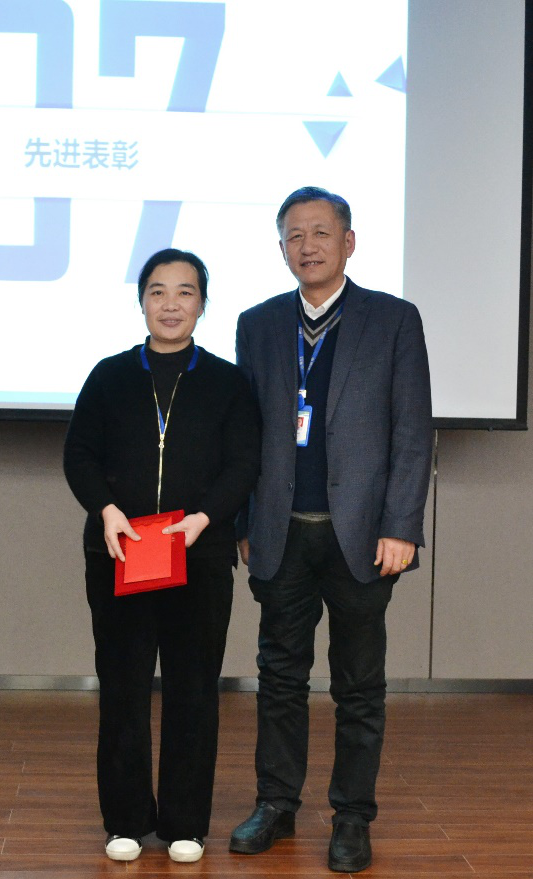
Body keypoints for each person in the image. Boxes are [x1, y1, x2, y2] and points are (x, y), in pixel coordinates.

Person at [229, 187, 433, 873]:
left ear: (349, 242)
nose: (307, 246)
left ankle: (351, 816)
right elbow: (244, 436)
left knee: (358, 684)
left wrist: (402, 525)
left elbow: (412, 431)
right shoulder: (258, 324)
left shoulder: (393, 319)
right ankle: (276, 803)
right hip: (279, 531)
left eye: (320, 232)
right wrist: (244, 521)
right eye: (294, 235)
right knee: (279, 677)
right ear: (281, 248)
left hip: (364, 537)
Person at [64, 248, 260, 864]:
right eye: (157, 291)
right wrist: (106, 509)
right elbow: (79, 454)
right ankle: (124, 820)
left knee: (192, 691)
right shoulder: (109, 376)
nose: (170, 304)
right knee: (122, 689)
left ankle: (185, 824)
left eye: (184, 292)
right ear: (141, 301)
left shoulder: (228, 382)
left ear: (203, 303)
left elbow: (244, 463)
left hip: (198, 555)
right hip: (120, 551)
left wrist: (205, 519)